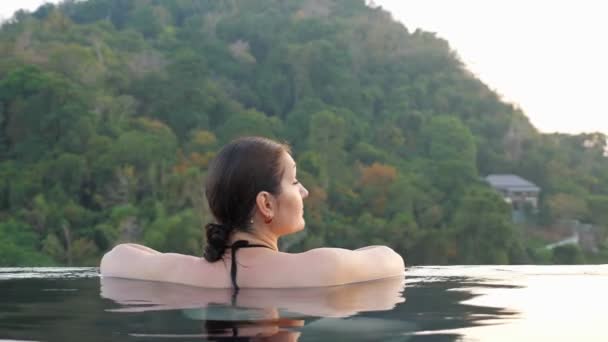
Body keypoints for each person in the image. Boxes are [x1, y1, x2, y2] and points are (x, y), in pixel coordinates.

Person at [100, 136, 405, 289]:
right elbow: (392, 260)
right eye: (295, 181)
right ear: (266, 204)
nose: (304, 192)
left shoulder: (183, 273)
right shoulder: (322, 268)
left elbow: (115, 258)